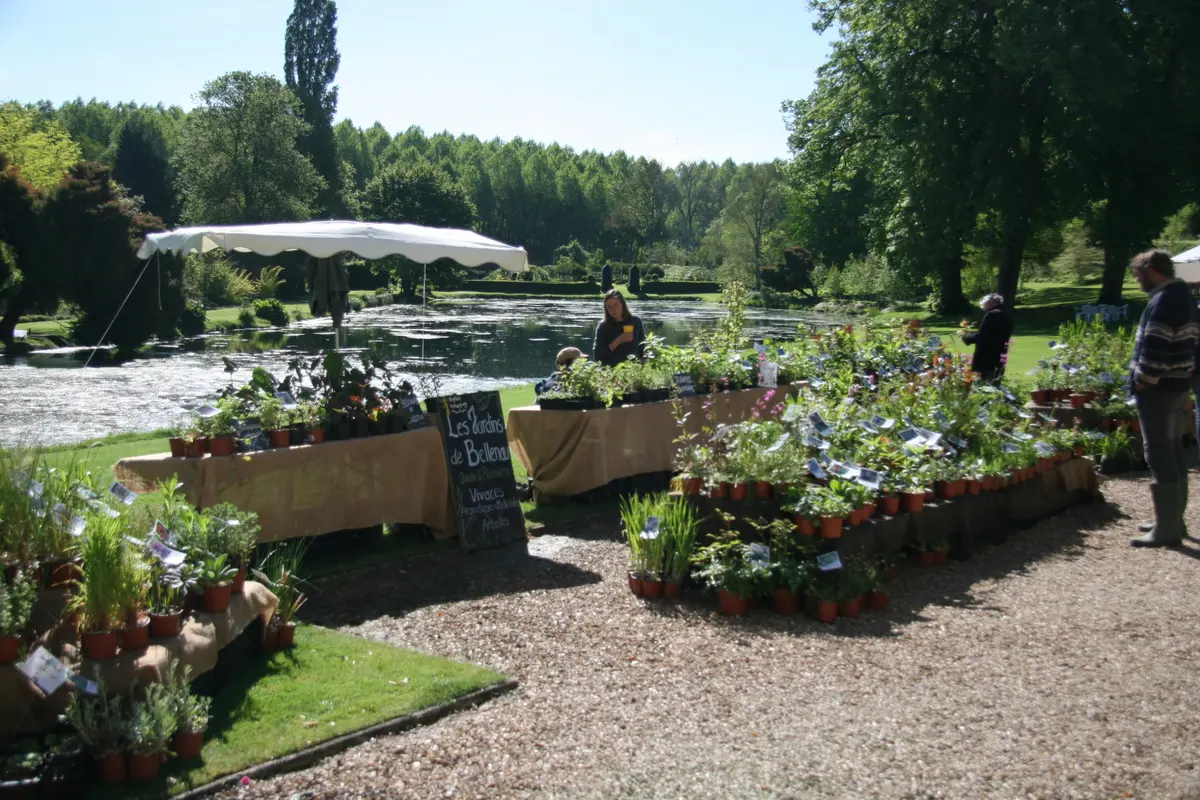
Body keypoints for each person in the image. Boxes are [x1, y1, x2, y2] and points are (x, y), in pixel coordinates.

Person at [1128, 249, 1200, 547]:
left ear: (1150, 269)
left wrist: (1145, 380)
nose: (1137, 281)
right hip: (1178, 383)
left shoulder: (1165, 300)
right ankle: (1171, 520)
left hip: (1159, 388)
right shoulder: (1183, 296)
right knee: (1171, 450)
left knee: (1158, 451)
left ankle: (1167, 529)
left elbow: (1156, 345)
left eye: (1137, 275)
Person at [958, 293, 1013, 382]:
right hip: (1000, 354)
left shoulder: (991, 315)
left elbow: (983, 336)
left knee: (984, 382)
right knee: (995, 380)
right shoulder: (1005, 315)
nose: (982, 305)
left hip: (987, 357)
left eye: (984, 302)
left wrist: (966, 336)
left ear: (993, 303)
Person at [593, 289, 646, 367]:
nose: (613, 310)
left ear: (622, 304)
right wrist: (618, 341)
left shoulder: (636, 321)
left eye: (616, 305)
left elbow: (643, 348)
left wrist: (643, 366)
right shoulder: (603, 326)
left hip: (633, 371)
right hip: (611, 372)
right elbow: (597, 356)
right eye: (609, 307)